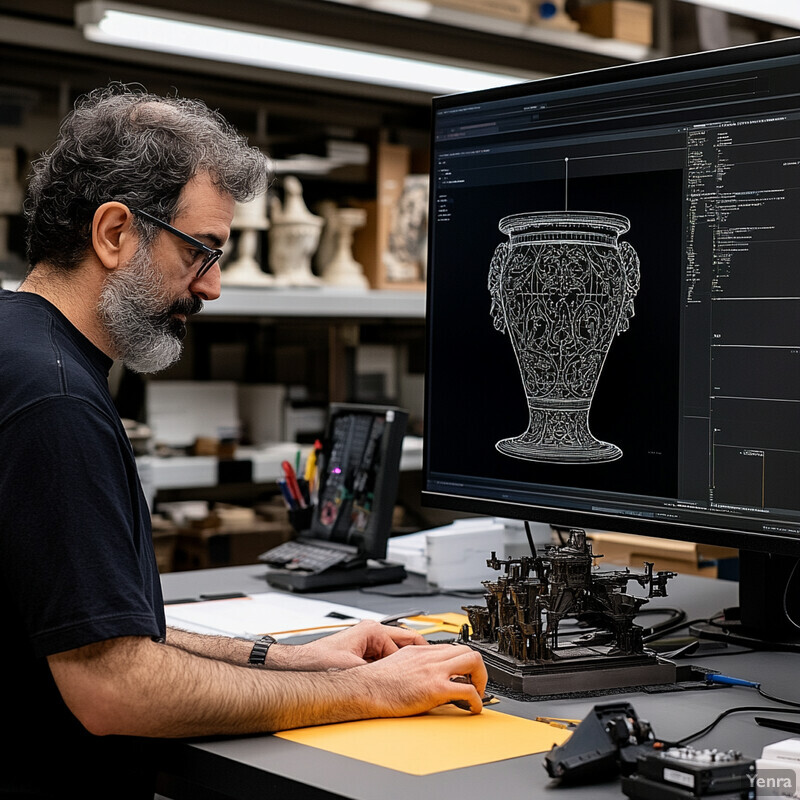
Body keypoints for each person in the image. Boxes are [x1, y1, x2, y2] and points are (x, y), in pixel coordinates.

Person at [0, 84, 487, 800]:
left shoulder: (23, 351)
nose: (215, 286)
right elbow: (116, 686)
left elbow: (105, 629)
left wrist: (298, 658)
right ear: (113, 233)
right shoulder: (57, 404)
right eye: (202, 252)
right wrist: (373, 692)